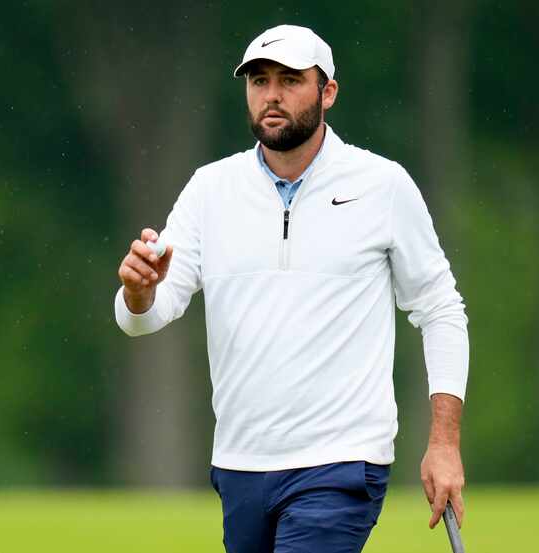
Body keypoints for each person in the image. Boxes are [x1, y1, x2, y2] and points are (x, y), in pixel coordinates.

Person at [115, 24, 469, 553]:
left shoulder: (381, 185)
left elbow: (440, 309)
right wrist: (139, 291)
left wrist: (444, 442)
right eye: (259, 81)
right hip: (240, 464)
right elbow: (144, 316)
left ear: (327, 92)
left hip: (341, 462)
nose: (272, 95)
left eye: (289, 80)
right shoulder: (211, 190)